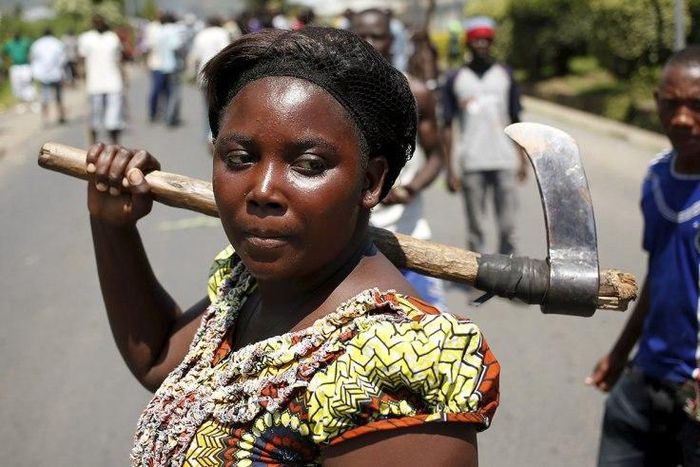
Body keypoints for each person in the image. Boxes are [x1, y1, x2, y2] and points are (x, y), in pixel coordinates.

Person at [83, 28, 499, 466]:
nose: (263, 190)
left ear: (371, 181)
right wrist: (112, 226)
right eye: (239, 159)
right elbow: (161, 359)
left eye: (309, 165)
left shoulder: (399, 358)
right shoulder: (249, 286)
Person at [587, 46, 700, 466]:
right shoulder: (655, 178)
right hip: (647, 376)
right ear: (656, 102)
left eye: (697, 105)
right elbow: (662, 273)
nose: (682, 118)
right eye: (671, 105)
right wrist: (620, 354)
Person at [352, 8, 446, 310]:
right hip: (347, 244)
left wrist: (409, 189)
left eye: (376, 36)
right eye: (360, 36)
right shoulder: (328, 95)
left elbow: (436, 158)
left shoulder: (416, 93)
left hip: (408, 238)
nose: (368, 43)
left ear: (391, 40)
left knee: (434, 335)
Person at [442, 16, 528, 256]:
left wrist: (522, 158)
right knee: (475, 227)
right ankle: (478, 278)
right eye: (476, 40)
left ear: (491, 43)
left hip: (504, 160)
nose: (481, 45)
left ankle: (510, 275)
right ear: (468, 44)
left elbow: (516, 117)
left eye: (485, 40)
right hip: (471, 162)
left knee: (508, 226)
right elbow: (447, 125)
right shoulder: (455, 79)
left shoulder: (505, 75)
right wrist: (450, 168)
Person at [79, 15, 125, 145]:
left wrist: (124, 78)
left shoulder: (112, 38)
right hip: (94, 83)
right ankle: (93, 147)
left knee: (114, 119)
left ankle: (115, 147)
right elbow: (81, 60)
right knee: (95, 117)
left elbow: (119, 59)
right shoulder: (86, 38)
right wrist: (81, 77)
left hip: (113, 82)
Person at [29, 28, 66, 126]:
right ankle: (61, 116)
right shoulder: (57, 43)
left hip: (43, 75)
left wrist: (34, 73)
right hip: (56, 74)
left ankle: (45, 119)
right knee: (58, 97)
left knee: (44, 98)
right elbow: (63, 59)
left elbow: (32, 58)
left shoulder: (37, 44)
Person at [2, 32, 36, 112]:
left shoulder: (25, 42)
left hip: (25, 65)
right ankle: (21, 104)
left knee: (28, 83)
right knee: (17, 85)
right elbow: (3, 52)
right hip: (15, 66)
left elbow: (32, 50)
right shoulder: (9, 43)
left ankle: (32, 103)